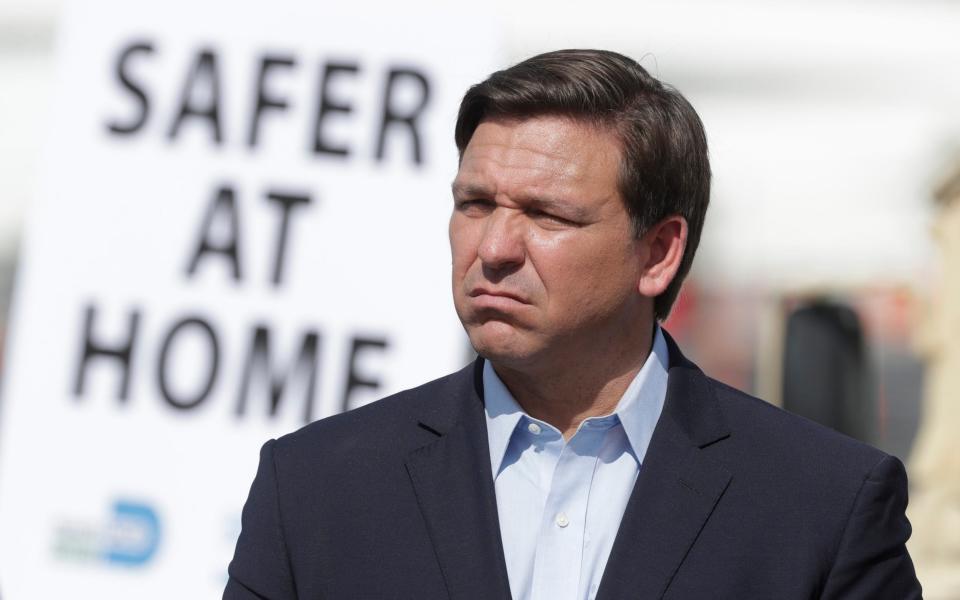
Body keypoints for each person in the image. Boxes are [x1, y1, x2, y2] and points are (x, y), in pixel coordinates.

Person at [224, 49, 921, 599]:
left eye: (547, 215)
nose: (493, 247)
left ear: (659, 252)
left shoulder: (823, 504)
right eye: (474, 204)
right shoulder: (316, 487)